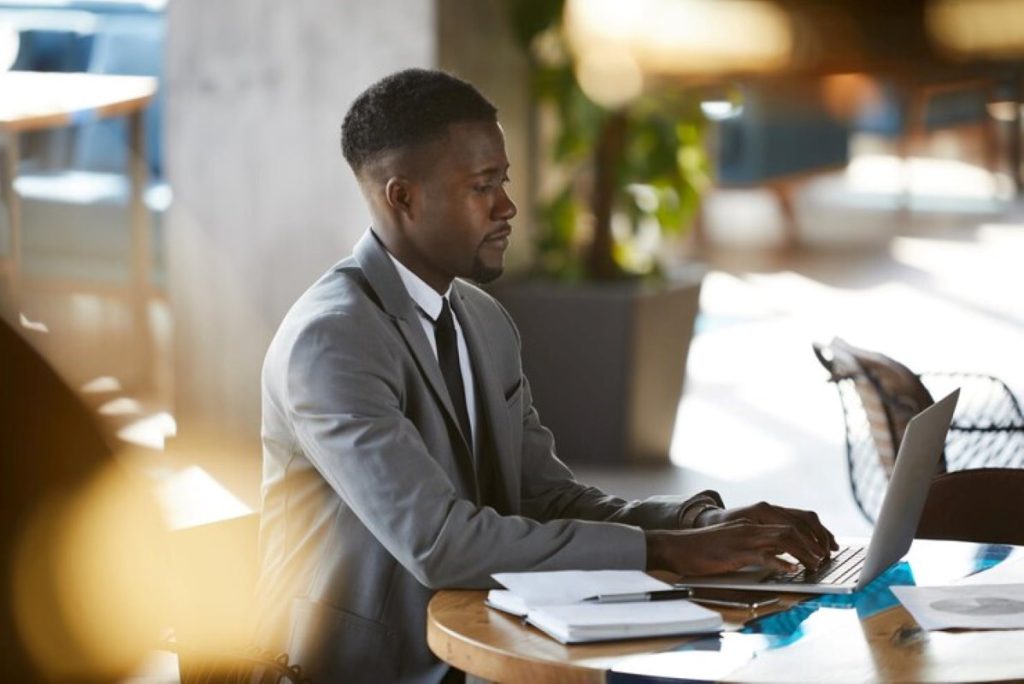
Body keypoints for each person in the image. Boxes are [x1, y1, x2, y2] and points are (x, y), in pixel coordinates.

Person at [255, 68, 836, 683]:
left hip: (486, 638)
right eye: (483, 187)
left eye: (502, 181)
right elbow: (441, 544)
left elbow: (545, 496)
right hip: (366, 669)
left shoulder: (481, 318)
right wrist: (666, 551)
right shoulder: (331, 342)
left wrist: (699, 524)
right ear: (403, 197)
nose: (508, 207)